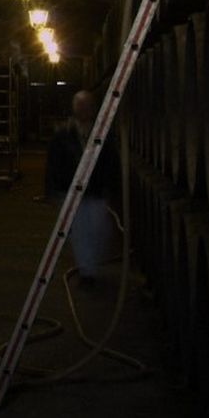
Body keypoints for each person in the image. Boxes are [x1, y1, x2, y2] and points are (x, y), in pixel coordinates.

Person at [43, 88, 119, 285]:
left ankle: (90, 266)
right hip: (71, 191)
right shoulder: (64, 134)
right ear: (74, 108)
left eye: (86, 105)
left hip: (95, 190)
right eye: (79, 105)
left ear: (93, 108)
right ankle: (87, 273)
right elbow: (53, 163)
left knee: (98, 231)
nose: (83, 109)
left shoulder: (103, 133)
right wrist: (52, 189)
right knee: (79, 233)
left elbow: (112, 161)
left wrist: (110, 186)